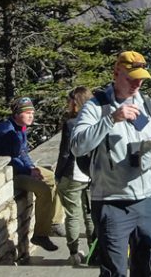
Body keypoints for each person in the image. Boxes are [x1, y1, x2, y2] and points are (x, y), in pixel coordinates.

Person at [70, 51, 151, 277]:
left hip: (146, 199)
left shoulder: (148, 105)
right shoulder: (96, 107)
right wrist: (112, 118)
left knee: (143, 267)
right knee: (115, 270)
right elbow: (77, 145)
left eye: (141, 78)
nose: (137, 83)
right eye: (131, 78)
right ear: (116, 73)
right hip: (111, 202)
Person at [0, 97, 65, 251]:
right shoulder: (7, 132)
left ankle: (54, 222)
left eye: (32, 113)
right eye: (27, 113)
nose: (31, 116)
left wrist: (31, 167)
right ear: (16, 114)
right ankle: (40, 235)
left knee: (56, 178)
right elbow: (8, 161)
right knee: (44, 190)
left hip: (20, 169)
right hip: (8, 176)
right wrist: (29, 171)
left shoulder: (19, 128)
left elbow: (23, 153)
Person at [54, 87, 95, 264]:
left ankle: (74, 253)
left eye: (70, 100)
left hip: (73, 173)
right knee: (89, 214)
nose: (67, 104)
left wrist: (58, 175)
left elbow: (65, 153)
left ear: (76, 102)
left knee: (72, 215)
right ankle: (94, 250)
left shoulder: (71, 124)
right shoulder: (95, 121)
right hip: (91, 174)